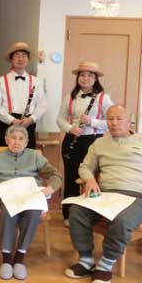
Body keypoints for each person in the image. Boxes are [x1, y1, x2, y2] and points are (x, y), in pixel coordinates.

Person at [64, 105, 142, 283]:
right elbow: (85, 167)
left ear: (129, 122)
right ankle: (86, 260)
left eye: (119, 118)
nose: (114, 123)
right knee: (77, 212)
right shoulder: (99, 144)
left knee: (121, 220)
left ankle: (106, 264)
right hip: (106, 195)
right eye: (110, 119)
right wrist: (89, 179)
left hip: (138, 196)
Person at [0, 125, 62, 280]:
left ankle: (19, 258)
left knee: (33, 213)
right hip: (6, 195)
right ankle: (6, 259)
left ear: (26, 142)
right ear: (6, 140)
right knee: (8, 212)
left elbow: (55, 175)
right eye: (13, 138)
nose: (16, 142)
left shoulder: (35, 156)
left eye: (21, 139)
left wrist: (49, 189)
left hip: (30, 195)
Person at [56, 62, 113, 226]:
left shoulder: (103, 98)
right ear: (78, 77)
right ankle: (69, 215)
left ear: (95, 79)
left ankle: (91, 215)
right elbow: (60, 119)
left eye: (90, 75)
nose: (85, 78)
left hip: (94, 141)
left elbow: (111, 122)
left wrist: (92, 122)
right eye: (82, 75)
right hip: (72, 140)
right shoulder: (70, 97)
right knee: (71, 178)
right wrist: (70, 128)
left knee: (92, 178)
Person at [0, 41, 47, 149]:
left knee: (28, 156)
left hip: (28, 123)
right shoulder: (1, 80)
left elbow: (42, 105)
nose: (20, 59)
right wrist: (12, 120)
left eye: (24, 56)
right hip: (7, 123)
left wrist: (31, 119)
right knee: (5, 155)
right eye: (17, 55)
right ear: (11, 59)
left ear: (28, 60)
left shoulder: (36, 81)